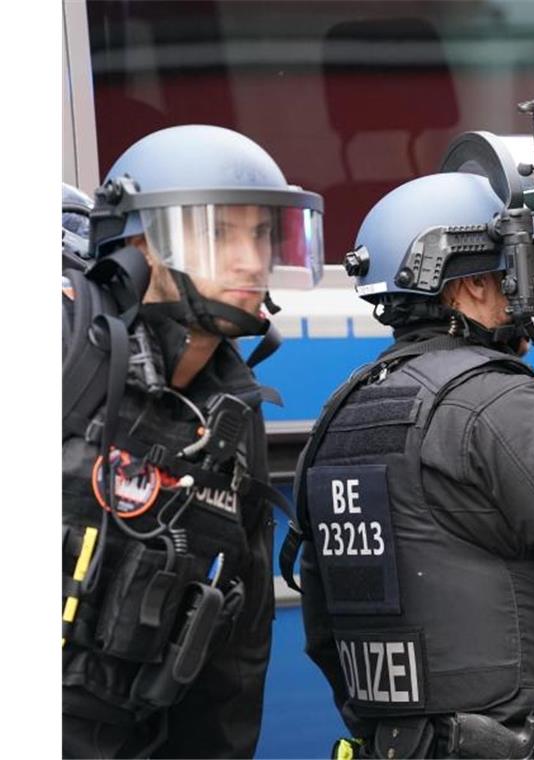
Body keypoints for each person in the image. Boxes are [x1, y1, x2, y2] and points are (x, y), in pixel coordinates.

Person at [288, 171, 534, 759]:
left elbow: (324, 632)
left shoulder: (344, 413)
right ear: (467, 285)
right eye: (510, 272)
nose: (525, 293)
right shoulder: (498, 406)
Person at [62, 124, 324, 758]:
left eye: (261, 234)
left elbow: (234, 663)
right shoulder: (65, 342)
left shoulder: (233, 419)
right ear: (141, 245)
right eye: (217, 232)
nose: (249, 259)